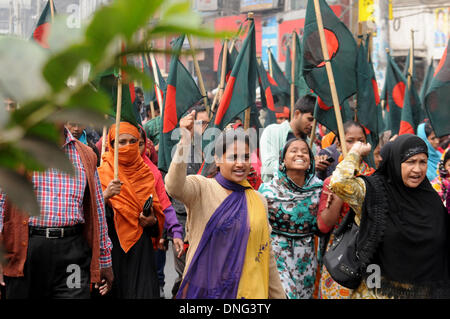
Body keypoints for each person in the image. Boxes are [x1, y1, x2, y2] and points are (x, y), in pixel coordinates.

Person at [165, 110, 285, 299]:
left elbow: (266, 255)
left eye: (245, 157)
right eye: (233, 157)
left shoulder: (258, 200)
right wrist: (184, 142)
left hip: (248, 293)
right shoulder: (202, 188)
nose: (240, 163)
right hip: (206, 291)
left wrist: (279, 296)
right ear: (218, 160)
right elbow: (174, 186)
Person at [327, 134, 450, 298]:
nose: (418, 169)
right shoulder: (374, 193)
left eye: (423, 162)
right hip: (378, 291)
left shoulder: (431, 200)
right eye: (410, 162)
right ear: (395, 162)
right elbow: (338, 183)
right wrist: (355, 153)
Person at [0, 126, 114, 298]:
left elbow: (97, 210)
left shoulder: (85, 155)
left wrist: (105, 260)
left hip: (72, 253)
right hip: (27, 251)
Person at [98, 122, 165, 299]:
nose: (127, 147)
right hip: (111, 254)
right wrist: (105, 196)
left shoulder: (145, 174)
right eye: (121, 142)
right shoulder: (101, 174)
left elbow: (157, 213)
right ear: (111, 145)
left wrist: (152, 221)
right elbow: (89, 216)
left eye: (132, 141)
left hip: (141, 254)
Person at [316, 121, 376, 299]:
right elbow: (324, 225)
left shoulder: (375, 179)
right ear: (338, 145)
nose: (356, 145)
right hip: (340, 250)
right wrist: (343, 188)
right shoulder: (333, 181)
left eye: (361, 141)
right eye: (350, 140)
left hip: (368, 250)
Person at [258, 138, 323, 299]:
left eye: (305, 151)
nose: (300, 154)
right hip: (276, 255)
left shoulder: (320, 190)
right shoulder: (267, 191)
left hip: (306, 257)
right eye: (293, 150)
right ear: (283, 160)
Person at [138, 126, 184, 298]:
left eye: (139, 143)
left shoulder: (153, 172)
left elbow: (165, 204)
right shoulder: (108, 171)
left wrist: (176, 232)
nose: (134, 148)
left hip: (147, 240)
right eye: (125, 142)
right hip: (116, 246)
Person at [260, 94, 320, 182]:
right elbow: (268, 167)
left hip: (301, 194)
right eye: (310, 119)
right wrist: (303, 164)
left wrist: (316, 166)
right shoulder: (272, 131)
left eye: (316, 122)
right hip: (274, 193)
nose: (312, 125)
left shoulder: (312, 146)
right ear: (297, 114)